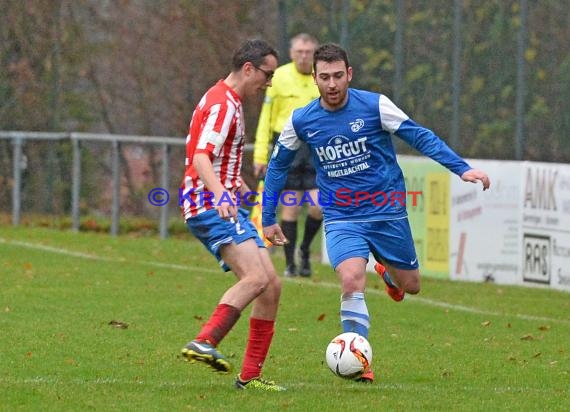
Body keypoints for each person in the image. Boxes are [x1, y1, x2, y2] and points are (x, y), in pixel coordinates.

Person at [261, 43, 490, 383]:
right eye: (325, 77)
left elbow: (419, 136)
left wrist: (461, 168)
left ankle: (387, 275)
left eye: (339, 76)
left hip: (386, 213)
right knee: (351, 279)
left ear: (349, 74)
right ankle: (359, 359)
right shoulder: (302, 120)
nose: (333, 84)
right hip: (341, 215)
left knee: (410, 286)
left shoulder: (375, 105)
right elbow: (278, 167)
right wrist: (268, 216)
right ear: (315, 79)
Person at [179, 39, 286, 392]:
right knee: (256, 278)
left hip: (218, 198)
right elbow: (200, 157)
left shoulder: (224, 99)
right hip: (209, 203)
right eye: (267, 75)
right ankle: (205, 340)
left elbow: (208, 151)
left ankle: (250, 378)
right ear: (248, 69)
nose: (268, 83)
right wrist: (221, 191)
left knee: (270, 285)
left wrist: (233, 181)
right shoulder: (224, 104)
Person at [253, 33, 323, 277]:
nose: (304, 56)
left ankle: (304, 251)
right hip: (286, 147)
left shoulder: (322, 77)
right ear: (292, 53)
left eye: (308, 52)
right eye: (299, 52)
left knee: (318, 206)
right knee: (290, 208)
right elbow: (266, 117)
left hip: (315, 148)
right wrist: (260, 155)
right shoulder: (279, 76)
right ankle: (291, 264)